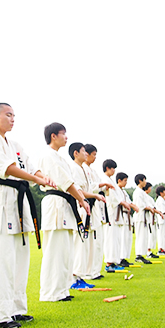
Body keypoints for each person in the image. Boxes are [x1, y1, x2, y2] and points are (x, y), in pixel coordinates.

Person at [0, 103, 55, 328]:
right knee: (0, 259)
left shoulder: (16, 145)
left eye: (14, 115)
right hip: (0, 196)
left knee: (20, 258)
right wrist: (37, 180)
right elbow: (8, 168)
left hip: (18, 200)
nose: (13, 119)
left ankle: (16, 309)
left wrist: (44, 177)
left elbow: (31, 168)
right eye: (8, 115)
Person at [37, 123, 90, 302]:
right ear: (53, 135)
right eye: (63, 134)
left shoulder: (59, 158)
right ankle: (50, 292)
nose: (66, 137)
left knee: (66, 251)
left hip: (66, 203)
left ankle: (62, 290)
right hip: (55, 201)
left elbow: (71, 183)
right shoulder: (48, 156)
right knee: (54, 250)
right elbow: (65, 182)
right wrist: (82, 200)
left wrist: (80, 198)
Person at [67, 142, 105, 287]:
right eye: (84, 152)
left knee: (86, 244)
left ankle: (80, 275)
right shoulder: (74, 168)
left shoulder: (83, 169)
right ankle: (74, 277)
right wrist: (95, 196)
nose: (86, 154)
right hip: (81, 206)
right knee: (80, 244)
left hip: (88, 206)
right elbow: (78, 191)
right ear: (76, 153)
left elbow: (89, 188)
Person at [82, 144, 114, 279]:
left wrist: (102, 187)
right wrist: (101, 186)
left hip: (97, 207)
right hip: (87, 204)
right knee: (89, 242)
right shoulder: (82, 168)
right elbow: (89, 187)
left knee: (98, 241)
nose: (95, 157)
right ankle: (88, 272)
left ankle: (95, 271)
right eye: (93, 154)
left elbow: (98, 187)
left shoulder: (92, 171)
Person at [100, 163, 131, 272]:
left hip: (115, 212)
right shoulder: (104, 178)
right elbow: (112, 196)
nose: (114, 171)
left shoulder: (110, 180)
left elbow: (116, 195)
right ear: (108, 168)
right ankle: (109, 263)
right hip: (110, 211)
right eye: (113, 168)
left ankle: (114, 261)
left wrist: (122, 202)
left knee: (116, 238)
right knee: (110, 238)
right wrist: (122, 202)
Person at [132, 174, 162, 263]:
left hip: (145, 217)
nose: (145, 182)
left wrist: (150, 208)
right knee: (140, 236)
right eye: (144, 180)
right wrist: (149, 208)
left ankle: (142, 254)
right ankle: (139, 255)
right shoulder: (137, 192)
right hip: (140, 217)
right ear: (140, 181)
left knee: (144, 237)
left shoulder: (141, 192)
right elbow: (140, 205)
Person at [118, 173, 139, 267]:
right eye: (125, 180)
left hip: (127, 216)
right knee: (122, 238)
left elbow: (129, 202)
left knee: (127, 238)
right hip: (121, 215)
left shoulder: (124, 192)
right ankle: (120, 258)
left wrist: (134, 206)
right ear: (119, 180)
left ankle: (124, 257)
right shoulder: (116, 190)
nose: (126, 182)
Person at [143, 183, 159, 258]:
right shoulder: (144, 196)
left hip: (151, 218)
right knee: (148, 235)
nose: (151, 189)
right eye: (150, 187)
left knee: (152, 235)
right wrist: (159, 212)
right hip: (147, 218)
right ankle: (147, 251)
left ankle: (149, 251)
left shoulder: (149, 197)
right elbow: (151, 207)